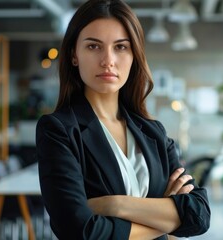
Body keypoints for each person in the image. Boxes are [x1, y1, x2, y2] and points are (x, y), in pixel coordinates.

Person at [35, 0, 211, 239]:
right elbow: (81, 231)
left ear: (134, 55)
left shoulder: (153, 133)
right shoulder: (59, 130)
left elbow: (199, 214)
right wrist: (167, 217)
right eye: (94, 47)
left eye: (120, 47)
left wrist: (115, 205)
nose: (108, 60)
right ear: (74, 55)